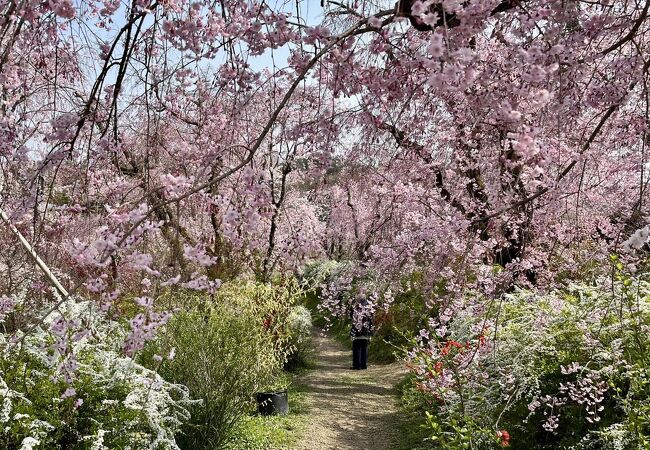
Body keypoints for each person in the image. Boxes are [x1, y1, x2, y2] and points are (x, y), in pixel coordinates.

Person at [349, 296, 374, 370]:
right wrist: (371, 332)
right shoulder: (369, 308)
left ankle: (357, 365)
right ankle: (364, 365)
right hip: (366, 331)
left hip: (357, 331)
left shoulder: (355, 308)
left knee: (356, 348)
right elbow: (371, 320)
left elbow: (351, 316)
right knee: (364, 349)